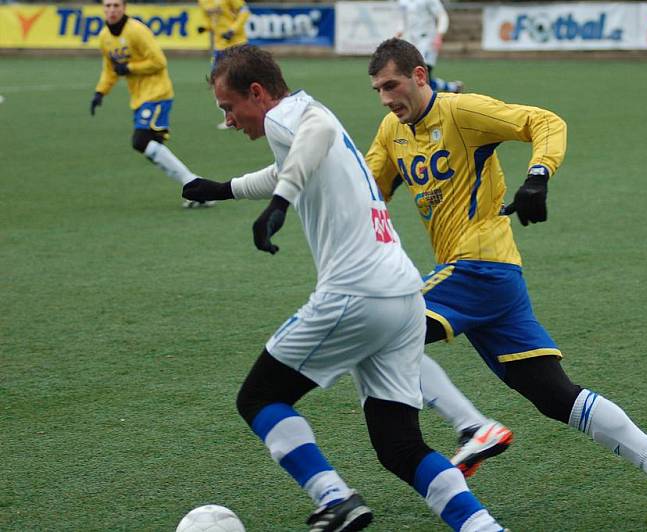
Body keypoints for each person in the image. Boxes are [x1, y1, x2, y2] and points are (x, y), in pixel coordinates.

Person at [364, 38, 647, 531]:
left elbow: (545, 122)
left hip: (478, 266)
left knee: (379, 331)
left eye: (392, 85)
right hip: (493, 278)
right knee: (550, 392)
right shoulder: (392, 129)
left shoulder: (462, 111)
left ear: (420, 76)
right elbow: (369, 189)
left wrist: (538, 176)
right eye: (377, 89)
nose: (386, 98)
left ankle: (473, 427)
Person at [182, 44, 505, 532]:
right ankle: (484, 528)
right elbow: (293, 165)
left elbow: (317, 136)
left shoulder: (290, 117)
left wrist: (279, 205)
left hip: (357, 293)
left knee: (259, 399)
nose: (229, 121)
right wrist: (224, 188)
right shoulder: (303, 116)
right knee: (399, 448)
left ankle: (334, 498)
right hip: (402, 296)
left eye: (229, 108)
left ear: (257, 92)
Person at [90, 0, 211, 208]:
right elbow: (110, 68)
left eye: (116, 6)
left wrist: (129, 68)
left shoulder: (137, 31)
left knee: (140, 140)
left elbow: (159, 62)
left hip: (157, 92)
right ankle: (197, 189)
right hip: (139, 98)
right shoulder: (104, 37)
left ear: (124, 8)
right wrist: (101, 91)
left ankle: (193, 185)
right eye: (108, 6)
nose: (111, 10)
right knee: (151, 146)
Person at [196, 0, 250, 129]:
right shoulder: (203, 1)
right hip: (219, 47)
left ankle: (252, 113)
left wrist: (232, 30)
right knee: (217, 82)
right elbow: (215, 19)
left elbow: (245, 12)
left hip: (237, 43)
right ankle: (230, 118)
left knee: (242, 80)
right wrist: (206, 27)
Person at [395, 0, 463, 93]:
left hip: (427, 39)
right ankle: (451, 87)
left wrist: (439, 35)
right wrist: (398, 34)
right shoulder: (403, 2)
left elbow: (441, 15)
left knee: (424, 72)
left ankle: (433, 102)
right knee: (415, 74)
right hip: (412, 41)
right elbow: (402, 19)